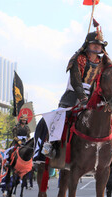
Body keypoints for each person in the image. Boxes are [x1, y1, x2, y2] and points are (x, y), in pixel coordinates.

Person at [42, 22, 108, 159]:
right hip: (73, 94)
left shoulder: (104, 63)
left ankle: (107, 149)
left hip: (94, 95)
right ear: (87, 45)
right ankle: (51, 145)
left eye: (99, 44)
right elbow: (76, 81)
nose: (97, 46)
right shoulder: (78, 59)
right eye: (94, 44)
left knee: (108, 119)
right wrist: (83, 98)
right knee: (61, 116)